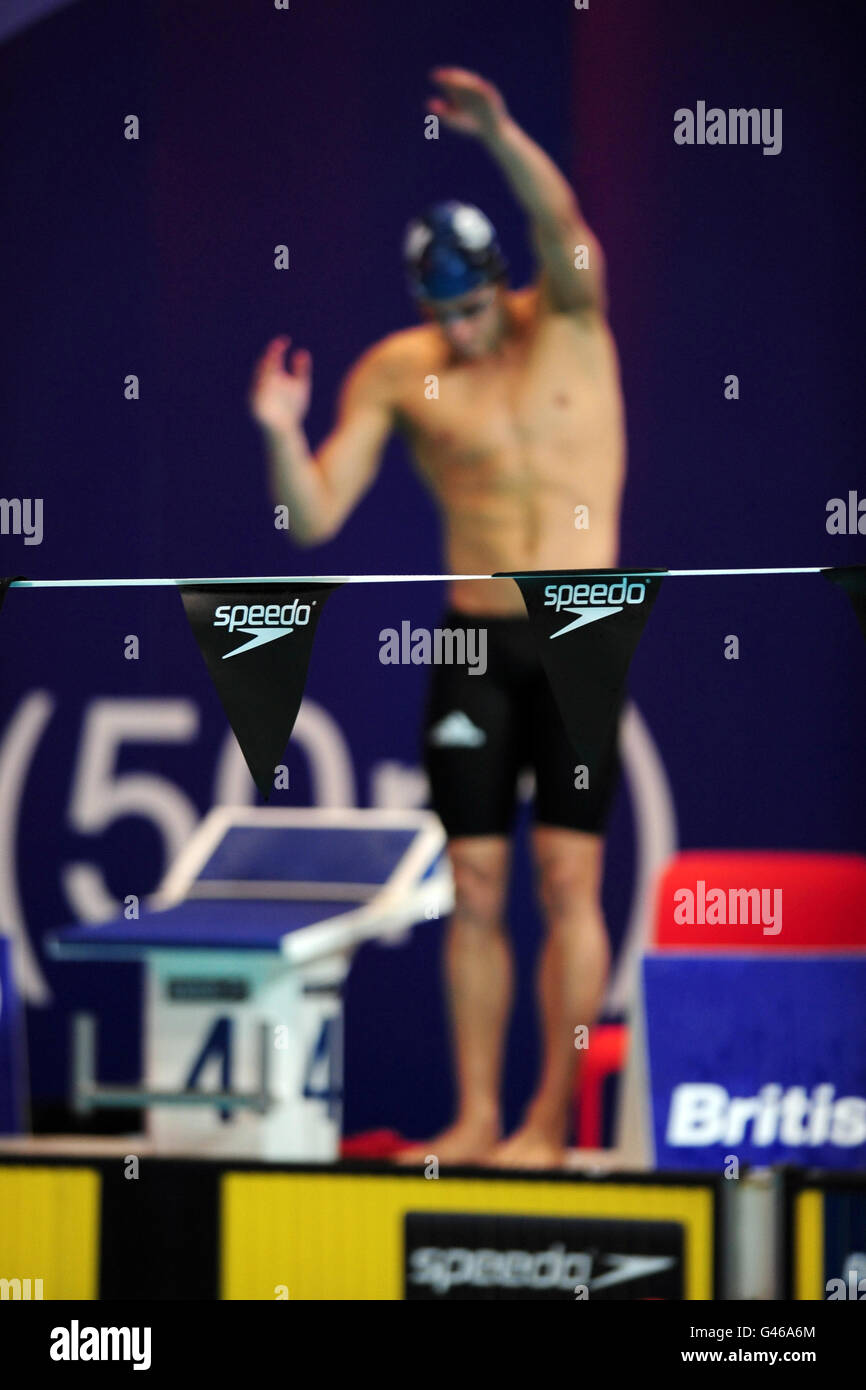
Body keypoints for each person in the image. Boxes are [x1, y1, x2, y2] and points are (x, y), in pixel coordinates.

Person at [249, 68, 627, 1167]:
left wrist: (500, 134)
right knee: (471, 883)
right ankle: (473, 1115)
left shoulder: (565, 315)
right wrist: (280, 429)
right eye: (438, 312)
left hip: (576, 629)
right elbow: (312, 516)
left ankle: (547, 1120)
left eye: (470, 308)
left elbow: (563, 224)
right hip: (470, 639)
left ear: (500, 288)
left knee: (567, 878)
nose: (458, 331)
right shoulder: (398, 373)